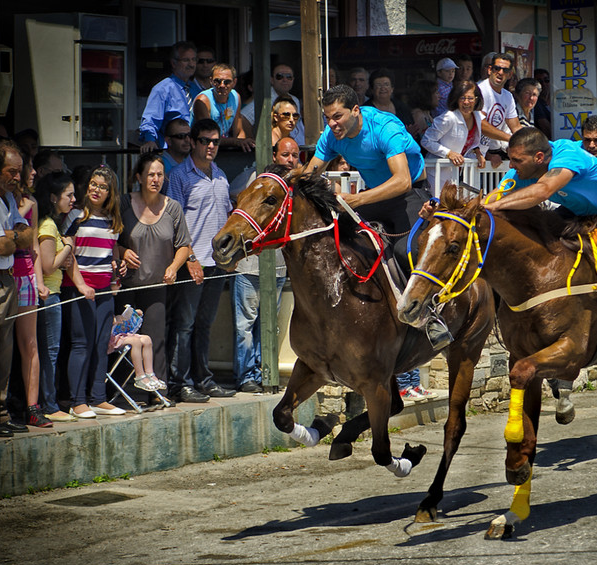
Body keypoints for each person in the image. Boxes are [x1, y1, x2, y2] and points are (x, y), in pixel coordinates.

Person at [484, 127, 597, 354]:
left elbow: (542, 191)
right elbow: (493, 199)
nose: (511, 166)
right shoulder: (523, 172)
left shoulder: (567, 155)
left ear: (539, 158)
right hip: (577, 211)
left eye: (516, 160)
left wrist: (495, 205)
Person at [303, 85, 451, 349]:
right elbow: (308, 174)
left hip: (409, 194)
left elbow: (402, 181)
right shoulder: (331, 134)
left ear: (355, 111)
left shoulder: (384, 127)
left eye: (337, 116)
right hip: (374, 195)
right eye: (327, 117)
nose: (331, 124)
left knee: (406, 249)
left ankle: (431, 318)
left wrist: (356, 199)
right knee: (342, 242)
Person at [166, 119, 236, 402]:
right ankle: (178, 383)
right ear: (193, 142)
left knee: (204, 324)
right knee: (184, 325)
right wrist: (190, 258)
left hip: (217, 264)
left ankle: (203, 379)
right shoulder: (179, 176)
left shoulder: (220, 176)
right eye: (205, 140)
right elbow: (174, 222)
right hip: (191, 263)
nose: (210, 146)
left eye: (215, 141)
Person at [119, 152, 191, 405]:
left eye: (160, 174)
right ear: (139, 176)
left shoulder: (173, 207)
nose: (156, 179)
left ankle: (157, 394)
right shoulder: (124, 204)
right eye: (150, 174)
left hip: (157, 286)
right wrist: (122, 251)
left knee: (156, 340)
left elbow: (183, 244)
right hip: (125, 286)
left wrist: (173, 266)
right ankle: (115, 393)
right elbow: (111, 240)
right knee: (121, 341)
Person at [230, 139, 296, 394]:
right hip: (249, 266)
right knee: (245, 325)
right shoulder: (255, 178)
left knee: (268, 324)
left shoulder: (292, 187)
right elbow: (236, 199)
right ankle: (246, 377)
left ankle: (262, 372)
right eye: (285, 154)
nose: (289, 159)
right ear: (274, 155)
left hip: (278, 268)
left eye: (293, 155)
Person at [62, 165, 126, 418]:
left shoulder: (114, 220)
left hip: (104, 291)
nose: (96, 190)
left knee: (101, 344)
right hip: (79, 288)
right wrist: (80, 285)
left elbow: (114, 253)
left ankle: (98, 398)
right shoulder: (75, 216)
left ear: (111, 192)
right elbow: (69, 256)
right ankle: (77, 401)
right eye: (93, 184)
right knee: (81, 343)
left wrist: (115, 279)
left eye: (103, 186)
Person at [0, 140, 33, 437]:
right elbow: (0, 247)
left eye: (20, 172)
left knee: (5, 351)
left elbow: (27, 235)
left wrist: (14, 234)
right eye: (12, 172)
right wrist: (16, 235)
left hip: (7, 278)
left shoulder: (9, 198)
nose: (17, 177)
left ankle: (0, 412)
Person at [8, 152, 50, 427]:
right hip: (0, 275)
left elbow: (34, 248)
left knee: (29, 343)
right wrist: (19, 207)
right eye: (28, 168)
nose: (33, 172)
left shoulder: (31, 203)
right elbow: (5, 226)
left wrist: (39, 281)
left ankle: (32, 407)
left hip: (24, 276)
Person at [34, 172, 76, 422]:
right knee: (49, 352)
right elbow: (49, 266)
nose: (73, 199)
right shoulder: (48, 225)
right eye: (68, 195)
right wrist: (69, 246)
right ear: (53, 197)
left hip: (53, 294)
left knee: (50, 351)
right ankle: (49, 405)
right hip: (49, 295)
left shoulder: (52, 223)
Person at [421, 80, 486, 193]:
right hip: (439, 173)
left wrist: (477, 151)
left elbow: (469, 141)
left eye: (470, 98)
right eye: (462, 98)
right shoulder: (448, 117)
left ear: (476, 99)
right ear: (456, 99)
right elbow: (426, 140)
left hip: (461, 174)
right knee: (440, 208)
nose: (466, 102)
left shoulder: (478, 116)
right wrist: (448, 153)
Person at [139, 41, 197, 154]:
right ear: (174, 63)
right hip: (171, 153)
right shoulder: (162, 89)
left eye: (194, 59)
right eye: (186, 60)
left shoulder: (196, 90)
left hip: (193, 153)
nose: (191, 64)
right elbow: (150, 120)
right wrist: (150, 140)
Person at [193, 63, 254, 152]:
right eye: (217, 81)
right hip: (204, 148)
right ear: (211, 81)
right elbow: (207, 136)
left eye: (227, 82)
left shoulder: (236, 97)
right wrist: (237, 142)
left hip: (224, 147)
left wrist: (242, 146)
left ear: (234, 82)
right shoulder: (203, 101)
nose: (222, 85)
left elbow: (239, 131)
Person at [109, 306, 167, 392]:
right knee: (135, 342)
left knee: (147, 339)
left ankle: (149, 374)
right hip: (110, 339)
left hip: (121, 334)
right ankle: (139, 376)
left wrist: (133, 315)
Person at [479, 53, 523, 167]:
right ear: (490, 70)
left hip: (487, 154)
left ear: (510, 74)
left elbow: (516, 127)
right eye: (497, 68)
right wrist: (511, 138)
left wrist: (529, 143)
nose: (500, 72)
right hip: (468, 154)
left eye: (505, 70)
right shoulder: (480, 90)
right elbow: (481, 125)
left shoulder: (508, 96)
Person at [270, 62, 305, 146]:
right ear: (275, 117)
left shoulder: (295, 100)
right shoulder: (265, 99)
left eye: (295, 116)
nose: (291, 120)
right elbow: (244, 117)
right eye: (286, 115)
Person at [409, 79, 439, 145]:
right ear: (427, 95)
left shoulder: (427, 113)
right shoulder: (419, 115)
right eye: (436, 93)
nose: (439, 96)